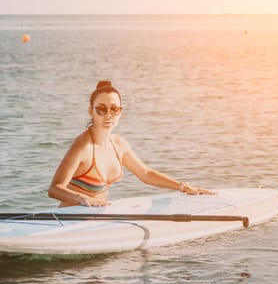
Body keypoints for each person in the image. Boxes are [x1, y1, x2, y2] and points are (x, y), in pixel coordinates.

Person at [48, 80, 215, 207]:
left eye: (114, 109)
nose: (108, 115)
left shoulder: (119, 144)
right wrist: (83, 199)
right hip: (69, 219)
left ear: (120, 111)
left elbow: (146, 174)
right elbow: (55, 188)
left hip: (96, 217)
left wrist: (182, 187)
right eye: (101, 109)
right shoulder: (83, 146)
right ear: (91, 111)